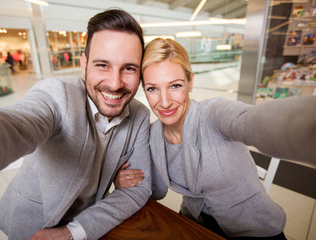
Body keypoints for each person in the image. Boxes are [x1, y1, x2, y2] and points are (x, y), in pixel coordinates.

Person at [0, 9, 151, 240]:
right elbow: (14, 125)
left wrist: (73, 232)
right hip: (32, 226)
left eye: (129, 68)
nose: (115, 83)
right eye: (102, 65)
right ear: (84, 64)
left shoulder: (139, 116)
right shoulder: (58, 95)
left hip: (91, 223)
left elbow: (138, 190)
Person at [115, 38, 316, 239]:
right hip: (196, 224)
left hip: (254, 229)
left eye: (175, 86)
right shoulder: (154, 135)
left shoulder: (213, 115)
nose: (165, 102)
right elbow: (157, 191)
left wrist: (306, 127)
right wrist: (126, 180)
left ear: (191, 81)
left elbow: (254, 121)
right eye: (152, 89)